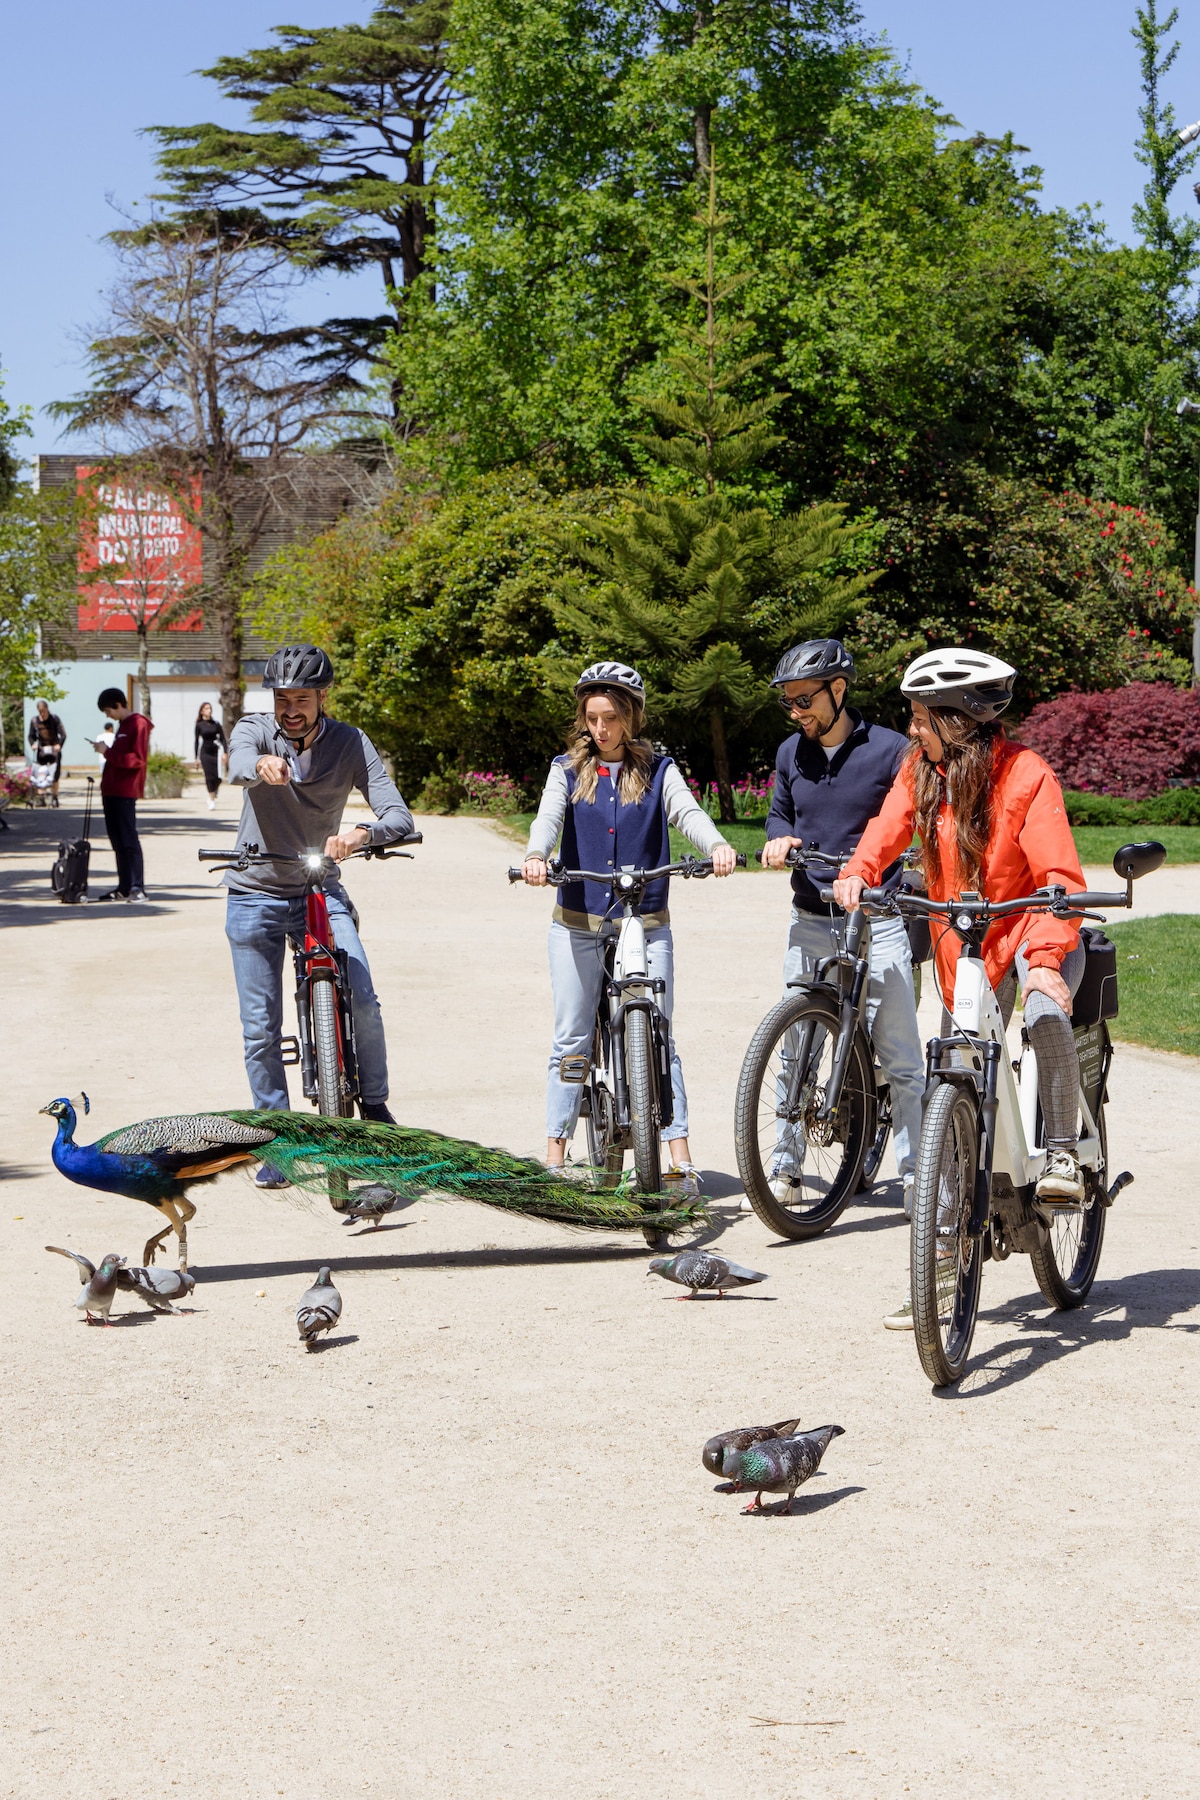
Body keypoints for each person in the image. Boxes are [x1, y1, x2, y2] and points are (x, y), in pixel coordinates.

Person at [834, 647, 1089, 1325]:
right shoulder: (922, 773)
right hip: (965, 948)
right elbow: (887, 828)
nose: (912, 728)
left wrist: (1046, 955)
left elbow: (1059, 878)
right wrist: (860, 870)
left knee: (1044, 1012)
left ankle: (1062, 1153)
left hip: (1028, 931)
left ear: (958, 721)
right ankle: (940, 1272)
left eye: (922, 717)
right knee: (954, 1095)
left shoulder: (1027, 775)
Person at [522, 661, 737, 1194]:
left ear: (632, 718)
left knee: (659, 1032)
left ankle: (679, 1158)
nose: (601, 729)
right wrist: (536, 854)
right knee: (572, 1037)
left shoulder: (660, 771)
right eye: (592, 718)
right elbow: (548, 817)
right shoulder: (565, 770)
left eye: (612, 718)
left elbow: (686, 812)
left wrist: (715, 844)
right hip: (577, 922)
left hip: (646, 922)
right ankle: (554, 1154)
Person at [761, 640, 926, 1269]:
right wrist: (780, 840)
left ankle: (918, 1176)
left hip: (877, 919)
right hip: (811, 917)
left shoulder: (891, 750)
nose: (797, 712)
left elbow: (913, 820)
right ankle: (786, 1167)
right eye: (789, 702)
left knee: (901, 1058)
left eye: (805, 699)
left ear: (839, 690)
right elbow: (778, 816)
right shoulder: (790, 753)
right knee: (794, 1049)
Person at [224, 644, 414, 1187]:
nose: (290, 710)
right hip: (254, 891)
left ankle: (374, 1106)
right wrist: (261, 765)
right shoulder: (256, 730)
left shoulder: (350, 742)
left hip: (319, 887)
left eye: (301, 700)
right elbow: (237, 762)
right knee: (260, 1027)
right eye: (282, 699)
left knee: (364, 994)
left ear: (322, 697)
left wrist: (361, 833)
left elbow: (397, 815)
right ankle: (277, 1144)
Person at [93, 687, 151, 903]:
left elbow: (137, 759)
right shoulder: (124, 725)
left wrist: (107, 752)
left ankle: (137, 887)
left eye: (108, 711)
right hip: (111, 790)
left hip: (125, 791)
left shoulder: (138, 724)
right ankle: (124, 887)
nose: (108, 716)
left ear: (118, 705)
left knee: (128, 839)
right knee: (117, 841)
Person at [28, 700, 66, 807]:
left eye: (43, 711)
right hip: (42, 750)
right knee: (40, 773)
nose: (42, 714)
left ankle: (54, 797)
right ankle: (41, 797)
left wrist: (59, 745)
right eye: (40, 712)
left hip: (54, 750)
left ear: (47, 709)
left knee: (55, 774)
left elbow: (63, 734)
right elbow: (31, 736)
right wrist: (33, 744)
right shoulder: (35, 720)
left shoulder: (54, 719)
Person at [194, 702, 228, 810]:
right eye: (206, 708)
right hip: (205, 753)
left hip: (216, 752)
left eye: (210, 708)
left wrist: (225, 753)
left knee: (218, 777)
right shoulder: (199, 725)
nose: (209, 710)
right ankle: (212, 799)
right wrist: (196, 757)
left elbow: (223, 739)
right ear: (202, 711)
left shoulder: (216, 724)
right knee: (209, 777)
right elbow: (196, 741)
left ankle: (214, 790)